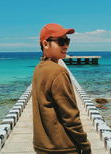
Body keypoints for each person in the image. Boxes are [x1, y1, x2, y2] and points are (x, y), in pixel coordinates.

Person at [32, 23, 92, 154]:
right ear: (45, 44)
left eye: (67, 41)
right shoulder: (58, 72)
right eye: (61, 41)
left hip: (42, 146)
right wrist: (85, 145)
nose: (65, 46)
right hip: (63, 148)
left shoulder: (38, 69)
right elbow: (70, 117)